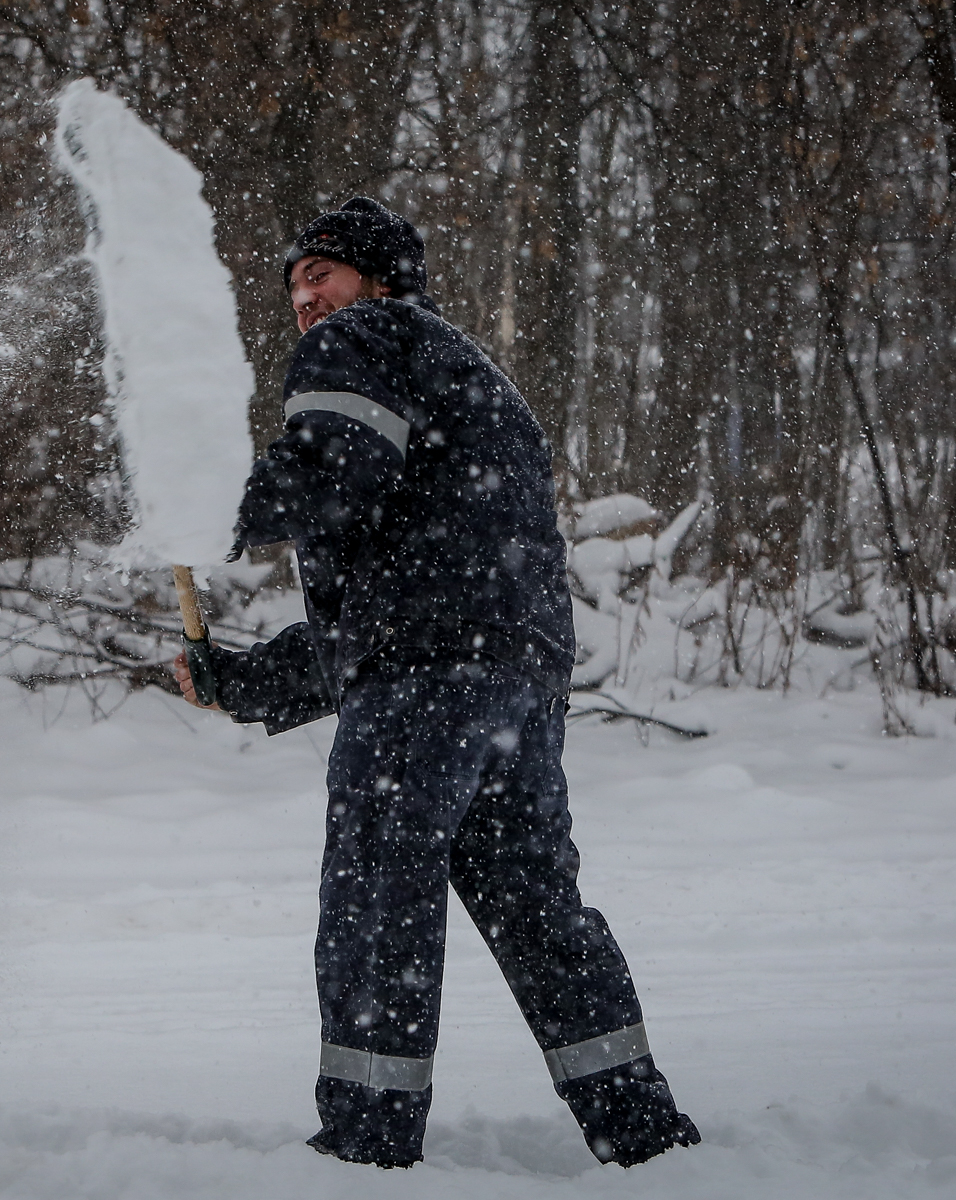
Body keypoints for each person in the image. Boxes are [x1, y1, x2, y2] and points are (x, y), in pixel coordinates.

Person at [172, 197, 699, 1170]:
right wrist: (246, 682)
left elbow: (337, 476)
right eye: (294, 282)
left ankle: (366, 1148)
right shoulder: (469, 375)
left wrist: (199, 504)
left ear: (376, 279)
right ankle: (645, 1137)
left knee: (378, 892)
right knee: (540, 913)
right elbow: (405, 603)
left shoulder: (361, 338)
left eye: (320, 272)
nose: (305, 296)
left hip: (429, 686)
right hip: (516, 687)